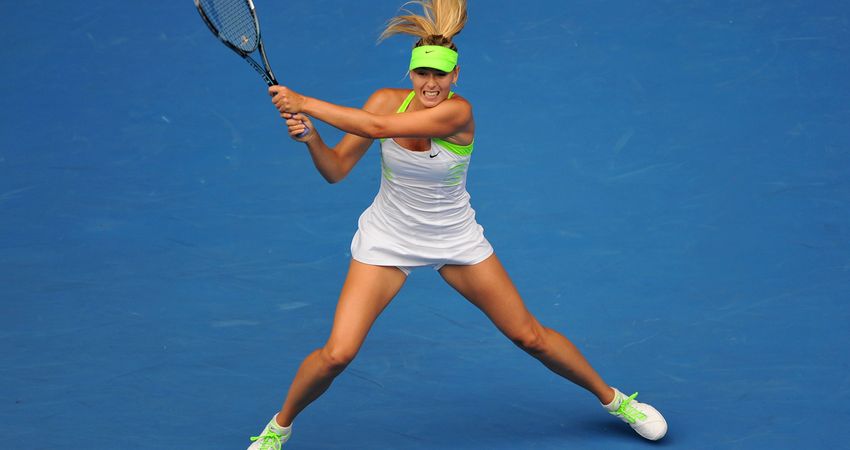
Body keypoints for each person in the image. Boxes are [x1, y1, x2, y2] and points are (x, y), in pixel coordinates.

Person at [250, 1, 667, 448]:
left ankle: (616, 401)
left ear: (455, 77)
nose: (431, 83)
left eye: (440, 75)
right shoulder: (386, 100)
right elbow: (335, 170)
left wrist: (305, 103)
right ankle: (279, 428)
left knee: (530, 336)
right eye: (422, 73)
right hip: (387, 238)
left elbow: (374, 127)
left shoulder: (458, 113)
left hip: (454, 238)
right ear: (411, 74)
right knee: (337, 354)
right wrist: (313, 138)